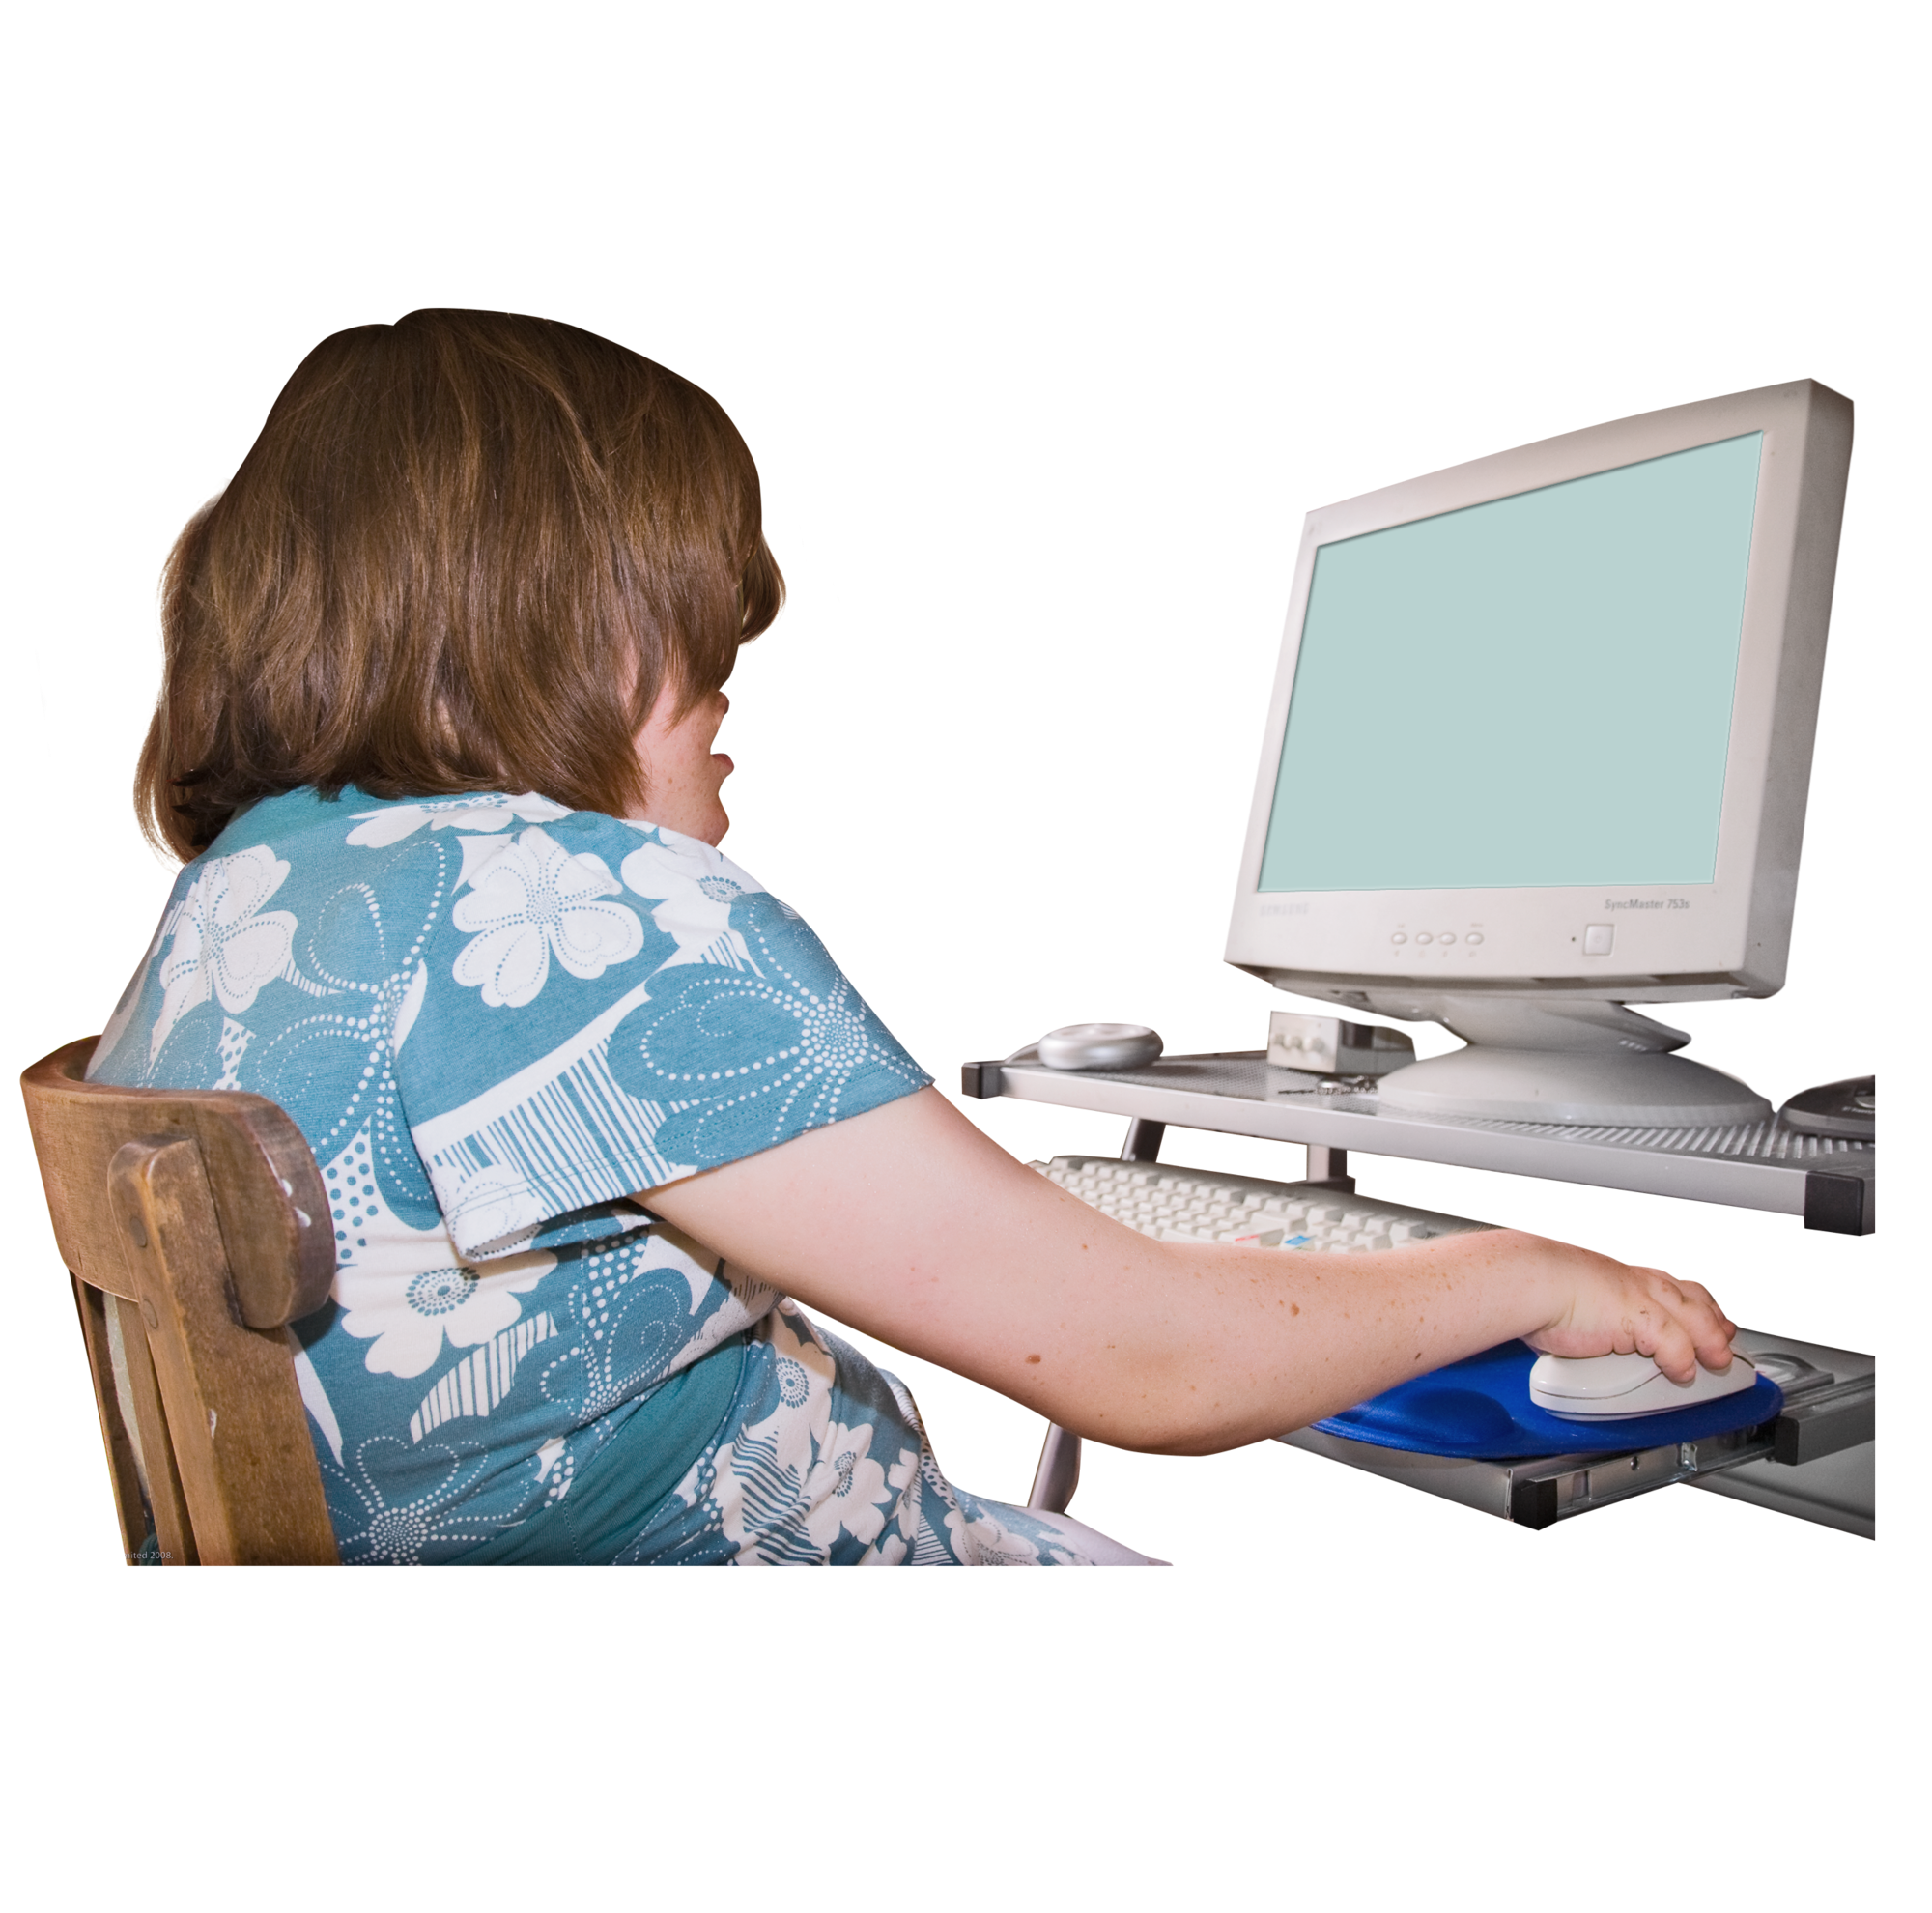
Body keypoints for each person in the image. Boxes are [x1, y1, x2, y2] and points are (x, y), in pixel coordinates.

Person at [89, 308, 1741, 1566]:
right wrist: (1519, 1269)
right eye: (698, 631)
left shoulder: (255, 894)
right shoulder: (576, 915)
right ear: (569, 616)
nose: (733, 683)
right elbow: (1153, 1363)